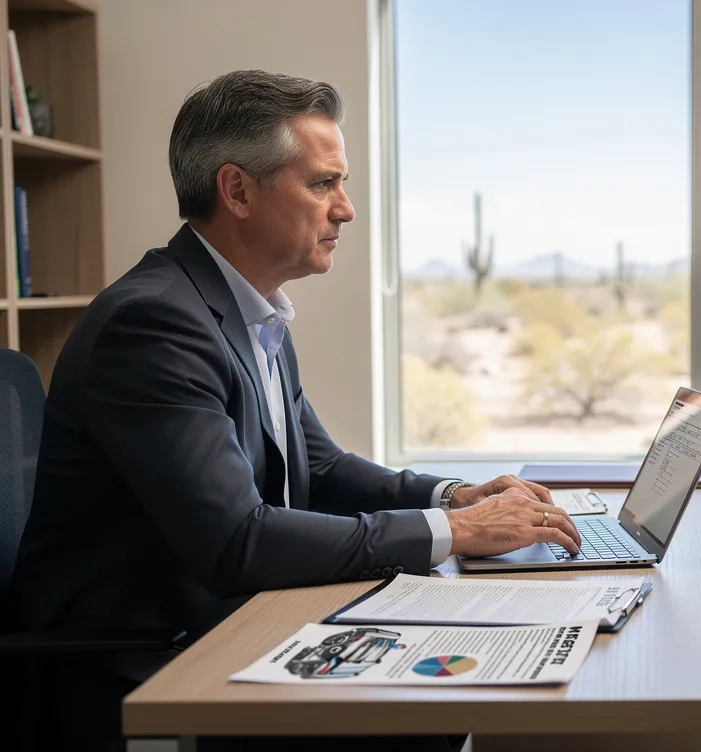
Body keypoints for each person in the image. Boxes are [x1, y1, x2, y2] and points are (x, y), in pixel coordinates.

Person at [9, 69, 582, 751]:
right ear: (238, 190)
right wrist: (455, 533)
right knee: (433, 719)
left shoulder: (249, 309)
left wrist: (453, 496)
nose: (346, 209)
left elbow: (321, 466)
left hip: (233, 626)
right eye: (322, 183)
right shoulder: (155, 324)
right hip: (144, 670)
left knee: (462, 681)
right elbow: (238, 541)